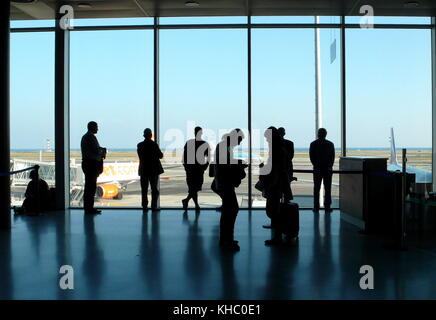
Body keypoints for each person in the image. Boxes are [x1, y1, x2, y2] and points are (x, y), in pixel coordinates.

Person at [212, 129, 247, 251]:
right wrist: (238, 165)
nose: (239, 143)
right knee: (231, 210)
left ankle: (226, 238)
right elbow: (225, 166)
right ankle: (227, 240)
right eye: (239, 140)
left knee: (228, 211)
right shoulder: (224, 147)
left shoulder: (224, 146)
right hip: (225, 182)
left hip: (224, 182)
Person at [261, 127, 288, 246]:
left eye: (267, 138)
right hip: (278, 183)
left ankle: (277, 238)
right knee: (276, 210)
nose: (266, 140)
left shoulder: (275, 150)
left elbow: (275, 169)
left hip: (275, 184)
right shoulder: (280, 149)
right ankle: (278, 236)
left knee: (275, 210)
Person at [182, 126, 210, 212]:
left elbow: (184, 158)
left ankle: (188, 201)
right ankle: (194, 204)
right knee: (195, 188)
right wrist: (205, 166)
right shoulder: (204, 144)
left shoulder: (189, 143)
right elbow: (208, 157)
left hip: (191, 169)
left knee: (193, 188)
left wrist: (186, 167)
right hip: (198, 169)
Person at [81, 121, 106, 215]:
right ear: (92, 127)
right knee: (91, 187)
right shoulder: (90, 137)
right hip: (91, 164)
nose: (98, 129)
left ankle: (88, 208)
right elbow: (96, 151)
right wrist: (102, 151)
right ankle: (89, 208)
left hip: (87, 163)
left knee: (89, 187)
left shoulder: (85, 137)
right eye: (96, 127)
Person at [137, 128, 164, 212]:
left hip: (144, 170)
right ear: (151, 135)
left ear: (144, 135)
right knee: (154, 189)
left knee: (144, 190)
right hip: (153, 170)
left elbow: (141, 156)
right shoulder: (153, 144)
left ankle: (145, 206)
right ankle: (154, 206)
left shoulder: (140, 145)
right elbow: (160, 155)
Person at [309, 128, 335, 212]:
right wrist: (329, 166)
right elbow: (332, 157)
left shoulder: (313, 144)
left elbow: (311, 157)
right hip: (327, 169)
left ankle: (316, 207)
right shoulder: (330, 144)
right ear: (326, 134)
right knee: (328, 189)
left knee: (316, 189)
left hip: (317, 169)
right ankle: (327, 206)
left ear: (318, 134)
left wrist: (316, 165)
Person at [278, 127, 294, 202]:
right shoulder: (290, 143)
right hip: (287, 168)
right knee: (287, 187)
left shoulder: (274, 144)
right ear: (284, 133)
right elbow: (291, 157)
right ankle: (286, 202)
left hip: (278, 169)